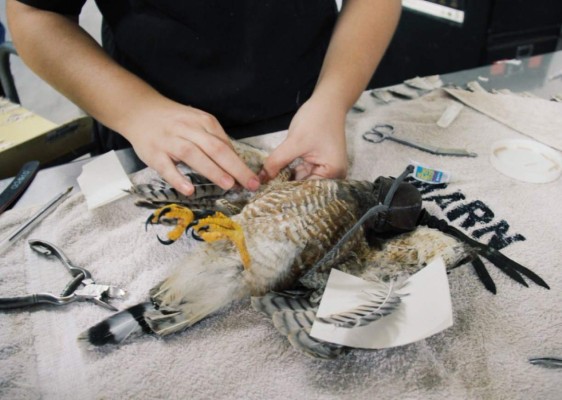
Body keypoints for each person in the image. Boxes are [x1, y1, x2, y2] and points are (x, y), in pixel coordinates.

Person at [7, 0, 401, 195]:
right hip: (153, 130)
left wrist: (332, 100)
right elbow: (35, 15)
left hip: (314, 111)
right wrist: (138, 112)